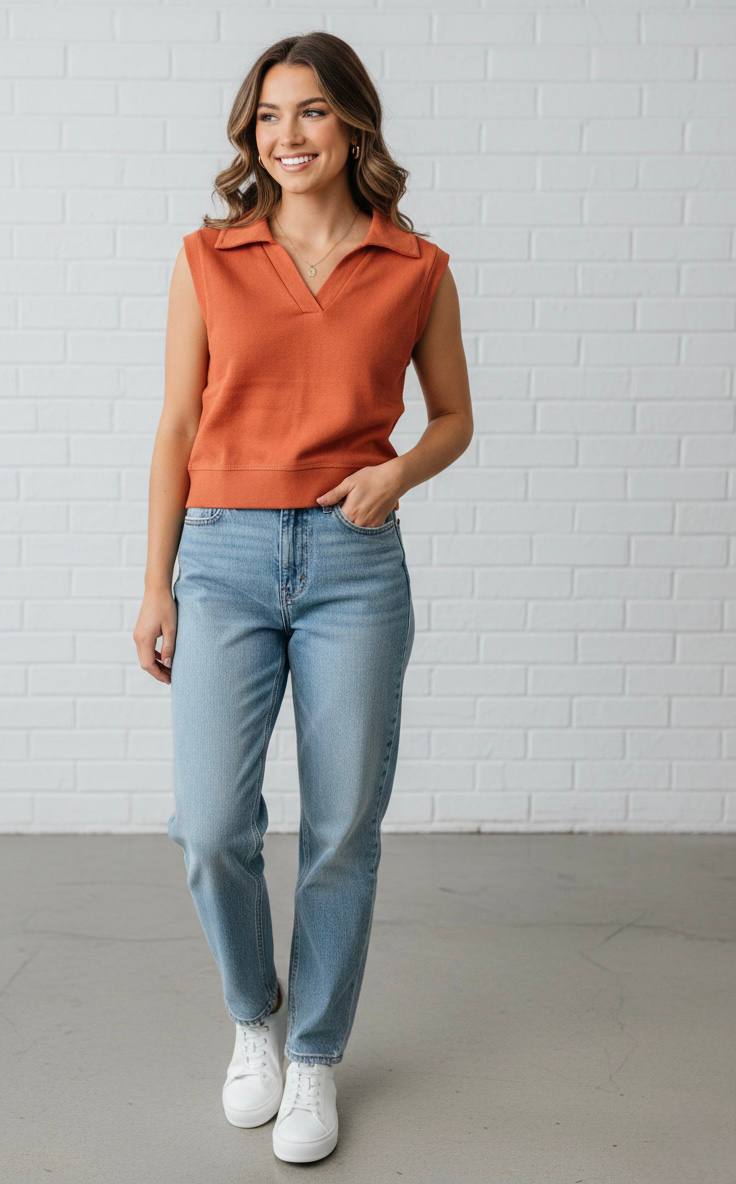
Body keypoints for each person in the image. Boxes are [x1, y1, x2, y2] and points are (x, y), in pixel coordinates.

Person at [132, 31, 472, 1165]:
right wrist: (155, 583)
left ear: (354, 123)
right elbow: (177, 426)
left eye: (312, 111)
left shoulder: (416, 266)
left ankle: (316, 1053)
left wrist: (397, 473)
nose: (289, 136)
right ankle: (255, 1020)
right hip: (221, 557)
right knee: (211, 826)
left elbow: (454, 417)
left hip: (353, 565)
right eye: (270, 116)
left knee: (341, 829)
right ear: (251, 134)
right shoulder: (208, 257)